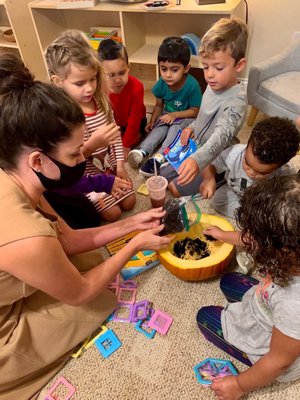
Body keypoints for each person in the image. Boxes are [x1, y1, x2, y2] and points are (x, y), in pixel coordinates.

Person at [0, 53, 171, 400]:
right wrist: (135, 246)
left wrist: (133, 224)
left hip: (25, 265)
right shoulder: (28, 235)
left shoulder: (18, 175)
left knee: (94, 260)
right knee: (99, 300)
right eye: (75, 154)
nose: (84, 161)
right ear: (37, 160)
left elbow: (70, 239)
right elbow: (78, 292)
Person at [197, 174, 300, 399]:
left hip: (273, 345)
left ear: (280, 250)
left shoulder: (294, 304)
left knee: (203, 317)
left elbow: (278, 361)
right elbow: (254, 239)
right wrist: (223, 235)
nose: (250, 239)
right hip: (267, 300)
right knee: (228, 280)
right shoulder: (291, 245)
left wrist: (239, 385)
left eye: (258, 238)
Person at [45, 29, 136, 224]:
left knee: (129, 202)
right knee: (113, 214)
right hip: (84, 170)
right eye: (79, 83)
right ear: (58, 82)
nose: (89, 88)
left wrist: (120, 166)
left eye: (93, 79)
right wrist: (93, 145)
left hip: (107, 163)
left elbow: (115, 137)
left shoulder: (101, 101)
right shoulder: (62, 116)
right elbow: (69, 164)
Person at [160, 17, 248, 196]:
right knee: (162, 176)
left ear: (239, 65)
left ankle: (219, 177)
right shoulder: (213, 83)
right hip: (197, 145)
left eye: (218, 67)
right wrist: (192, 127)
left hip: (217, 157)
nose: (209, 75)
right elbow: (203, 117)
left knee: (174, 189)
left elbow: (219, 139)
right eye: (206, 66)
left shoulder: (236, 103)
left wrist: (197, 161)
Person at [128, 36, 202, 177]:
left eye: (174, 70)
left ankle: (159, 158)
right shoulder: (162, 83)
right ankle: (142, 151)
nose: (168, 75)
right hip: (167, 115)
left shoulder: (192, 86)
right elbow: (158, 105)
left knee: (174, 131)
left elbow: (195, 111)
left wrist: (174, 115)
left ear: (186, 68)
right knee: (159, 128)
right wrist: (153, 120)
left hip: (185, 118)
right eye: (163, 69)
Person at [200, 117, 300, 219]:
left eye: (262, 173)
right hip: (235, 193)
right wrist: (209, 178)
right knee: (217, 200)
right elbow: (211, 164)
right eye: (247, 163)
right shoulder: (234, 153)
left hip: (263, 200)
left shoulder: (286, 173)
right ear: (247, 145)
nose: (251, 173)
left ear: (280, 166)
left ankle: (254, 218)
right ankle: (250, 218)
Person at [98, 39, 147, 161]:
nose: (118, 80)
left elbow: (135, 119)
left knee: (134, 140)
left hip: (135, 122)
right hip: (115, 123)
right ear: (101, 73)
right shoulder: (99, 88)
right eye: (111, 75)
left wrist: (126, 145)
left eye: (122, 73)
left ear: (128, 67)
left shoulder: (137, 87)